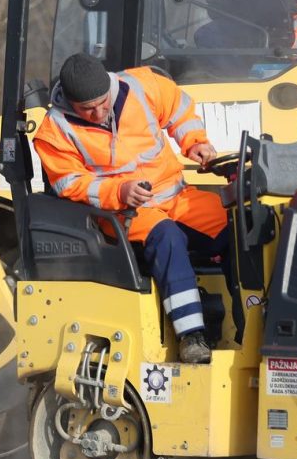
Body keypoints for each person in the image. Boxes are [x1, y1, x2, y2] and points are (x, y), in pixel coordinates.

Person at [34, 52, 225, 364]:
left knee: (233, 228)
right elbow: (70, 184)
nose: (97, 113)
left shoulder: (142, 85)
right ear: (69, 102)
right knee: (167, 238)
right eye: (87, 109)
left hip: (176, 197)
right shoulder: (54, 131)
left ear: (110, 88)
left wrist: (196, 142)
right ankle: (192, 336)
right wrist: (119, 192)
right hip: (121, 215)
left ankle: (250, 320)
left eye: (102, 103)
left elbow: (180, 110)